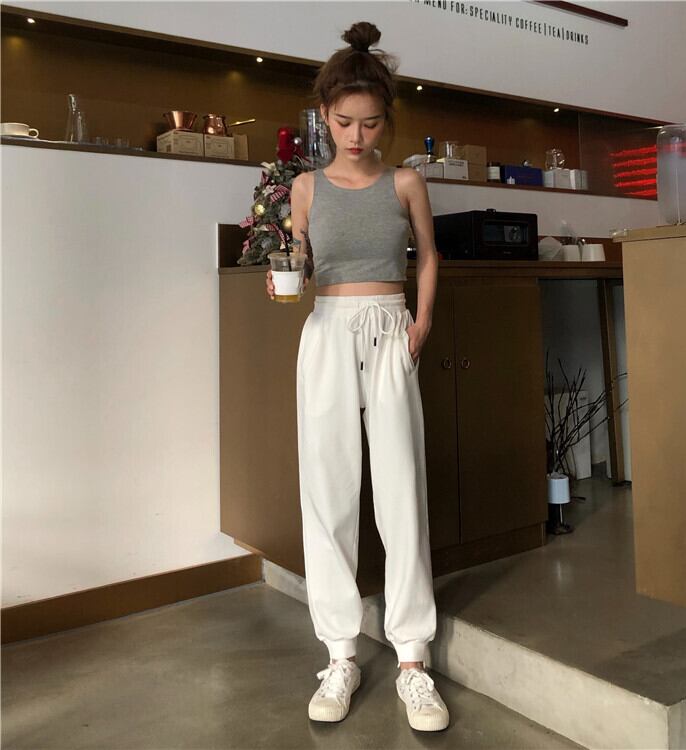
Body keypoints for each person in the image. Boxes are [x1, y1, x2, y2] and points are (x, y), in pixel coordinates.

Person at [265, 21, 449, 733]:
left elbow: (428, 253)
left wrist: (421, 324)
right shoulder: (305, 187)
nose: (357, 135)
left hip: (391, 329)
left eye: (370, 123)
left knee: (401, 489)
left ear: (385, 120)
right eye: (344, 122)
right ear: (325, 116)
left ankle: (412, 658)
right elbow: (301, 262)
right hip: (327, 332)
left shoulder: (405, 181)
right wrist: (284, 273)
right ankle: (340, 653)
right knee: (328, 490)